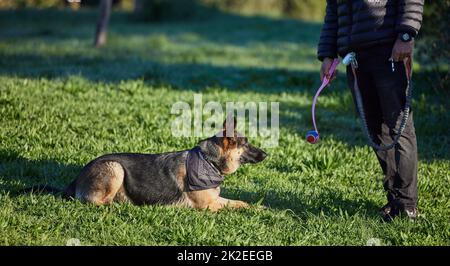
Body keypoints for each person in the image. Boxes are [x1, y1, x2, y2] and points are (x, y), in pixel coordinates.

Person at [317, 0, 424, 221]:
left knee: (398, 126)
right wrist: (328, 54)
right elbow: (334, 12)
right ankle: (395, 200)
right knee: (375, 130)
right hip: (355, 59)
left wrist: (406, 35)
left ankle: (407, 205)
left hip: (388, 50)